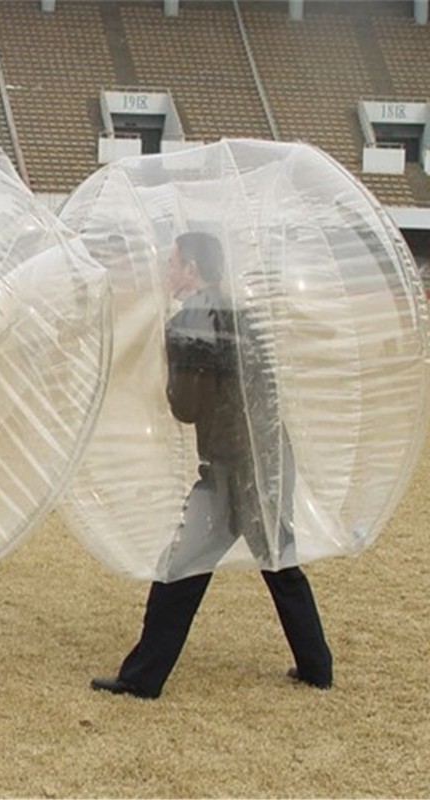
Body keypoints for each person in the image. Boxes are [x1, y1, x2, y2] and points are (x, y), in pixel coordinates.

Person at [91, 231, 333, 700]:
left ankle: (141, 679)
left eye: (173, 263)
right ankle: (316, 667)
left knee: (181, 567)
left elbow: (187, 406)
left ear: (193, 269)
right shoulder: (241, 312)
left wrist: (166, 366)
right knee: (279, 563)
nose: (167, 272)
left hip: (232, 467)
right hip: (266, 456)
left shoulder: (193, 321)